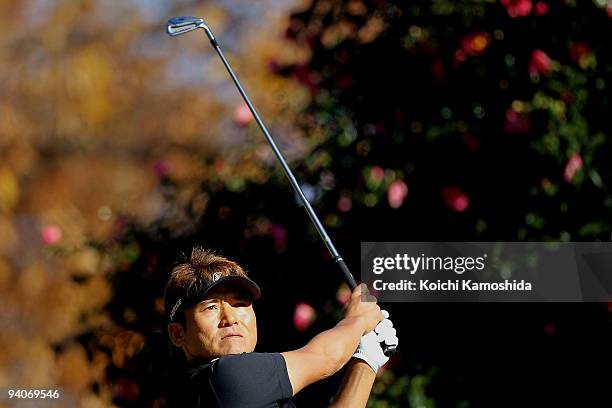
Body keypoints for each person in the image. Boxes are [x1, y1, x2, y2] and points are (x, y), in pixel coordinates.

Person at [164, 247, 398, 407]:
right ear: (177, 333)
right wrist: (357, 318)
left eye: (240, 304)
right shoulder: (225, 377)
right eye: (211, 307)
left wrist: (367, 359)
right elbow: (324, 357)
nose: (231, 318)